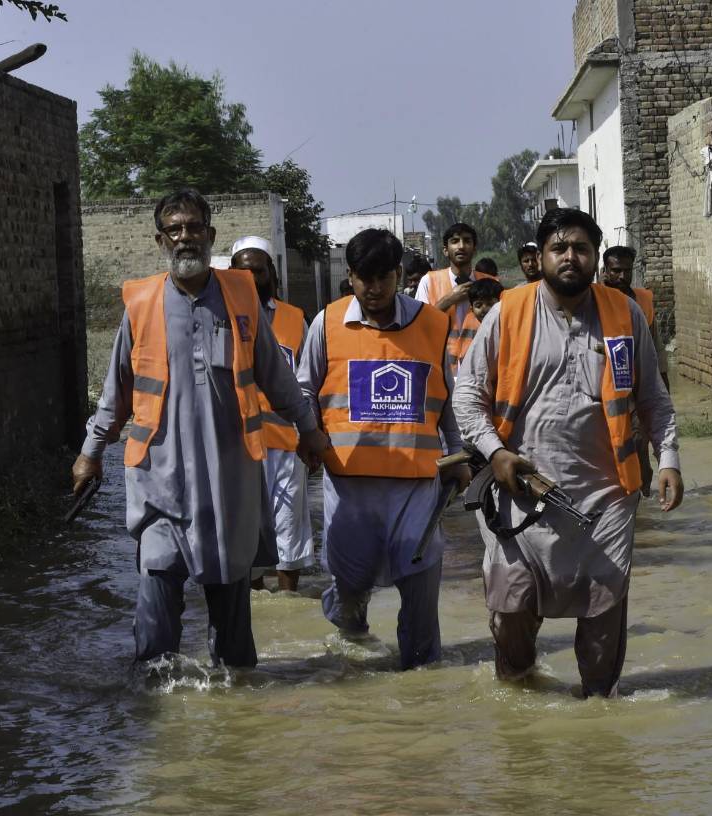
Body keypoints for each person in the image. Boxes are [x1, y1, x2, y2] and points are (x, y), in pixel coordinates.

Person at [71, 188, 330, 667]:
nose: (184, 237)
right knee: (156, 597)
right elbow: (116, 392)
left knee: (231, 620)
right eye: (174, 229)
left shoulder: (241, 298)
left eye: (193, 228)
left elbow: (277, 378)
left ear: (210, 235)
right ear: (160, 240)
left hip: (227, 483)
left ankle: (236, 716)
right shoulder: (141, 305)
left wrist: (309, 431)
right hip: (159, 483)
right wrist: (89, 453)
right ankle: (157, 699)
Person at [452, 207, 683, 698]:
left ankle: (598, 724)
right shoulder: (508, 312)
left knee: (603, 630)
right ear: (541, 256)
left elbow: (654, 399)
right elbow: (467, 395)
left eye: (581, 248)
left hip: (606, 499)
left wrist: (668, 461)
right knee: (511, 615)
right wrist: (495, 453)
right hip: (519, 494)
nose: (570, 257)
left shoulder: (626, 315)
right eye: (560, 248)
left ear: (595, 256)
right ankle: (521, 711)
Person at [298, 228, 471, 670]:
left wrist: (457, 455)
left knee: (420, 580)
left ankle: (420, 674)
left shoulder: (433, 324)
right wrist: (310, 436)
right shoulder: (328, 322)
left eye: (382, 278)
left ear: (398, 274)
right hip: (350, 486)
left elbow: (447, 398)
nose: (373, 289)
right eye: (362, 278)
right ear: (351, 276)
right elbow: (303, 390)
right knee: (351, 589)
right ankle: (352, 640)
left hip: (416, 483)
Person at [229, 235, 315, 593]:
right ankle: (255, 605)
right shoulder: (220, 318)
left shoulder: (296, 320)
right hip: (237, 444)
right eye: (244, 273)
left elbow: (310, 382)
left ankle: (288, 602)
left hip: (286, 442)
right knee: (245, 527)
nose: (252, 279)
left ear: (271, 273)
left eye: (259, 271)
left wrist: (314, 434)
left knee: (288, 525)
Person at [414, 222, 498, 377]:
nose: (461, 246)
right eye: (455, 241)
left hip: (480, 371)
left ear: (474, 248)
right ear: (445, 250)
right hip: (440, 370)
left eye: (467, 241)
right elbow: (419, 325)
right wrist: (449, 299)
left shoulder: (491, 283)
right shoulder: (429, 281)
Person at [600, 245, 669, 390]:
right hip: (606, 381)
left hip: (640, 379)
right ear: (605, 271)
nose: (622, 277)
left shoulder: (643, 300)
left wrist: (664, 386)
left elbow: (656, 348)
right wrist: (602, 289)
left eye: (627, 271)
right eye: (616, 271)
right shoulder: (594, 301)